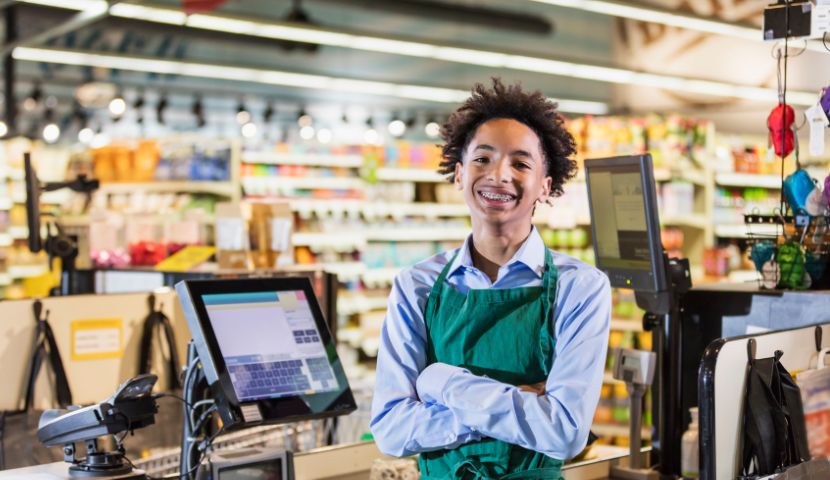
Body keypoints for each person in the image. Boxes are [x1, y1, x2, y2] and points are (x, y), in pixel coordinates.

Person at [370, 78, 611, 480]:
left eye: (520, 163)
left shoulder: (579, 288)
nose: (499, 175)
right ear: (460, 175)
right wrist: (522, 403)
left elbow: (566, 432)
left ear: (544, 187)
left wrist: (440, 382)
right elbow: (391, 431)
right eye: (483, 159)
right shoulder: (417, 286)